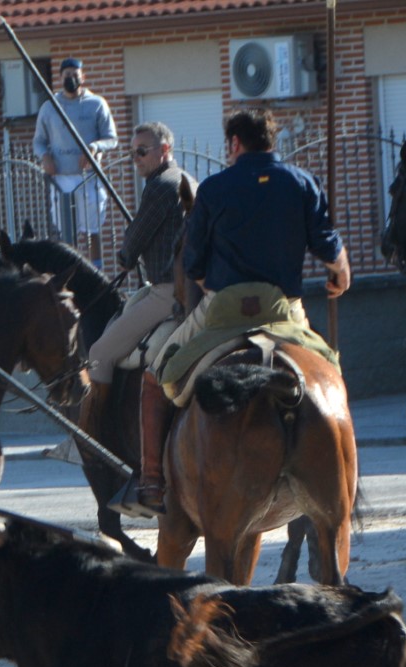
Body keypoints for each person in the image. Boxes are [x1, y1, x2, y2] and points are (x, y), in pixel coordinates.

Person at [151, 108, 350, 515]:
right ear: (270, 141)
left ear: (235, 143)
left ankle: (152, 478)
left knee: (156, 375)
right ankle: (343, 468)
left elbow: (194, 264)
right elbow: (329, 246)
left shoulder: (213, 189)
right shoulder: (301, 181)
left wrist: (213, 286)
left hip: (224, 311)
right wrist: (341, 275)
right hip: (285, 312)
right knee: (331, 374)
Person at [80, 122, 194, 442]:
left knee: (100, 351)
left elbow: (133, 243)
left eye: (142, 152)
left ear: (164, 150)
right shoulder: (188, 180)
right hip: (194, 290)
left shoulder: (160, 186)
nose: (136, 159)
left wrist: (125, 256)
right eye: (132, 153)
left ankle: (93, 436)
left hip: (167, 292)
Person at [33, 58, 119, 266]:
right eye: (67, 75)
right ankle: (69, 270)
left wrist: (94, 147)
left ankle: (95, 269)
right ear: (60, 78)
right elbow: (39, 141)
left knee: (92, 230)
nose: (71, 78)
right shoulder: (49, 107)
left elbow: (111, 139)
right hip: (61, 177)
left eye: (75, 74)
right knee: (65, 231)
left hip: (89, 176)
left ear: (83, 77)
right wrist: (45, 157)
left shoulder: (96, 104)